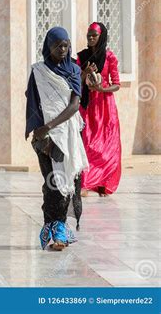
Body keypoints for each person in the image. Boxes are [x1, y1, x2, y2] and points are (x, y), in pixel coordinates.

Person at [25, 27, 88, 251]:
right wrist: (38, 132)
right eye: (58, 45)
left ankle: (59, 229)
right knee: (52, 182)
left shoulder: (73, 70)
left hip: (67, 133)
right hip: (45, 139)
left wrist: (49, 125)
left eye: (66, 45)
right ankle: (53, 228)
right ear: (48, 46)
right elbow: (32, 102)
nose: (63, 49)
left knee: (68, 180)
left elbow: (74, 106)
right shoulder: (39, 72)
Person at [76, 22, 121, 197]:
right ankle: (85, 182)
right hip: (87, 106)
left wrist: (102, 89)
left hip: (105, 107)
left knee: (106, 145)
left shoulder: (109, 57)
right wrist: (84, 72)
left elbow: (116, 84)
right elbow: (76, 80)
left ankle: (104, 182)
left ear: (101, 36)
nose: (91, 38)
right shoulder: (82, 57)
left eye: (94, 35)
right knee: (87, 143)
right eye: (89, 35)